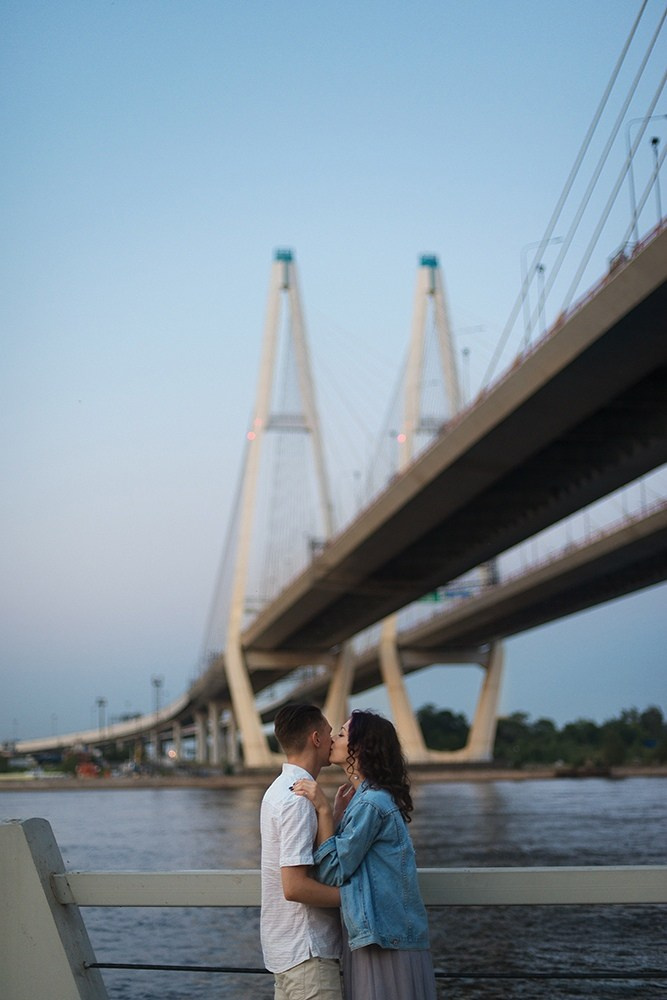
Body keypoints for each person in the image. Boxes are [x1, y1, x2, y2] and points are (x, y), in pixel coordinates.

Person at [292, 710, 437, 1000]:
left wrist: (322, 811)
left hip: (385, 942)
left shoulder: (371, 803)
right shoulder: (368, 799)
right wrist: (335, 814)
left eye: (342, 734)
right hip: (384, 935)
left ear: (358, 749)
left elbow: (332, 872)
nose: (333, 738)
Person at [260, 702, 343, 1000]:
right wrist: (357, 897)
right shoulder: (297, 800)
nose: (333, 740)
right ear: (316, 738)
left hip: (286, 951)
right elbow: (295, 887)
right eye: (330, 733)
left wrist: (326, 812)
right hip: (308, 954)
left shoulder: (277, 790)